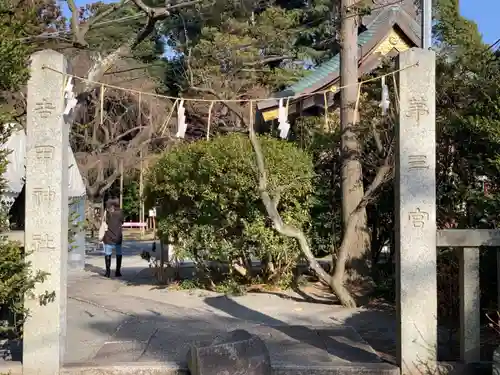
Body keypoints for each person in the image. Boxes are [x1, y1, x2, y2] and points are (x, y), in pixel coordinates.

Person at [102, 198, 124, 278]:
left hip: (109, 237)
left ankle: (108, 272)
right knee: (119, 254)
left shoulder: (107, 212)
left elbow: (106, 222)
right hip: (118, 236)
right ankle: (117, 271)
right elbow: (122, 221)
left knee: (108, 254)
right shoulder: (120, 213)